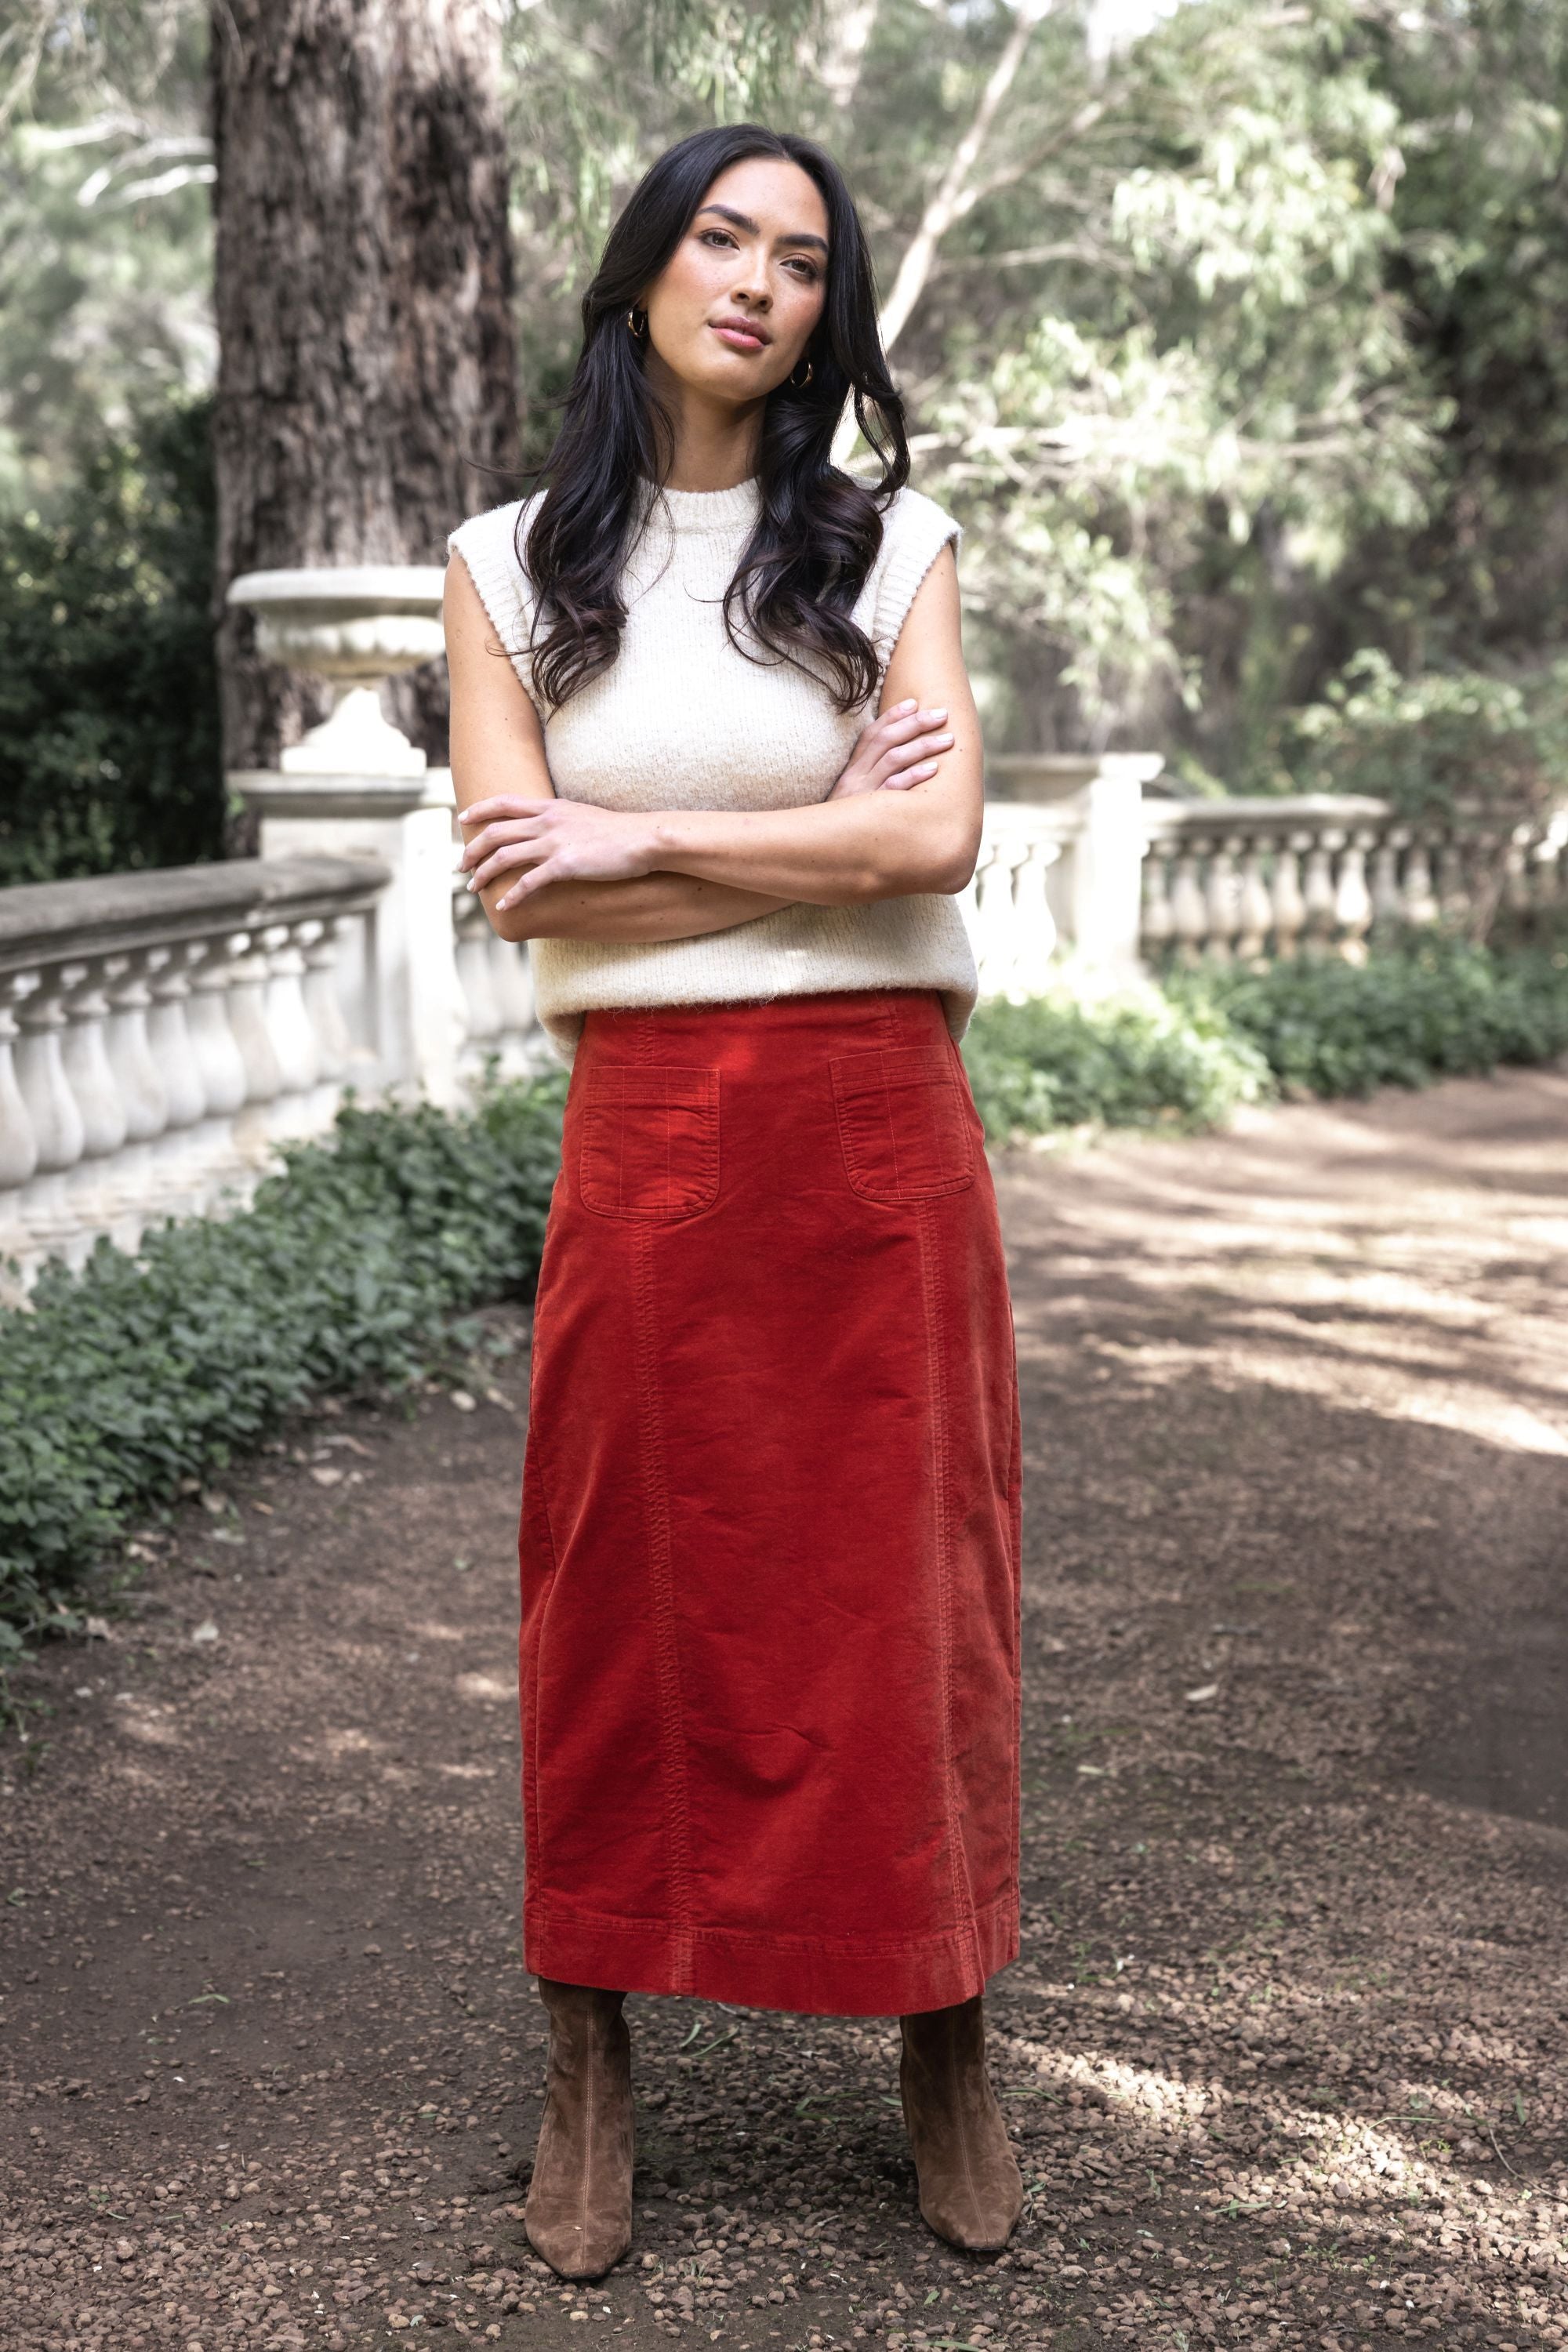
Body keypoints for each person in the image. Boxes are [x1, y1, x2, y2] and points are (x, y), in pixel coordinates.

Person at [442, 121, 1024, 2283]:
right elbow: (521, 887)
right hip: (652, 1135)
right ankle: (589, 2044)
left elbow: (933, 849)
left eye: (801, 256)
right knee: (617, 1593)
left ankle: (943, 2022)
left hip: (876, 1123)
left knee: (907, 1590)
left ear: (827, 310)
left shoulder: (888, 554)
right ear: (647, 268)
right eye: (722, 238)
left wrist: (631, 847)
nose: (761, 281)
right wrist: (785, 839)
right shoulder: (506, 565)